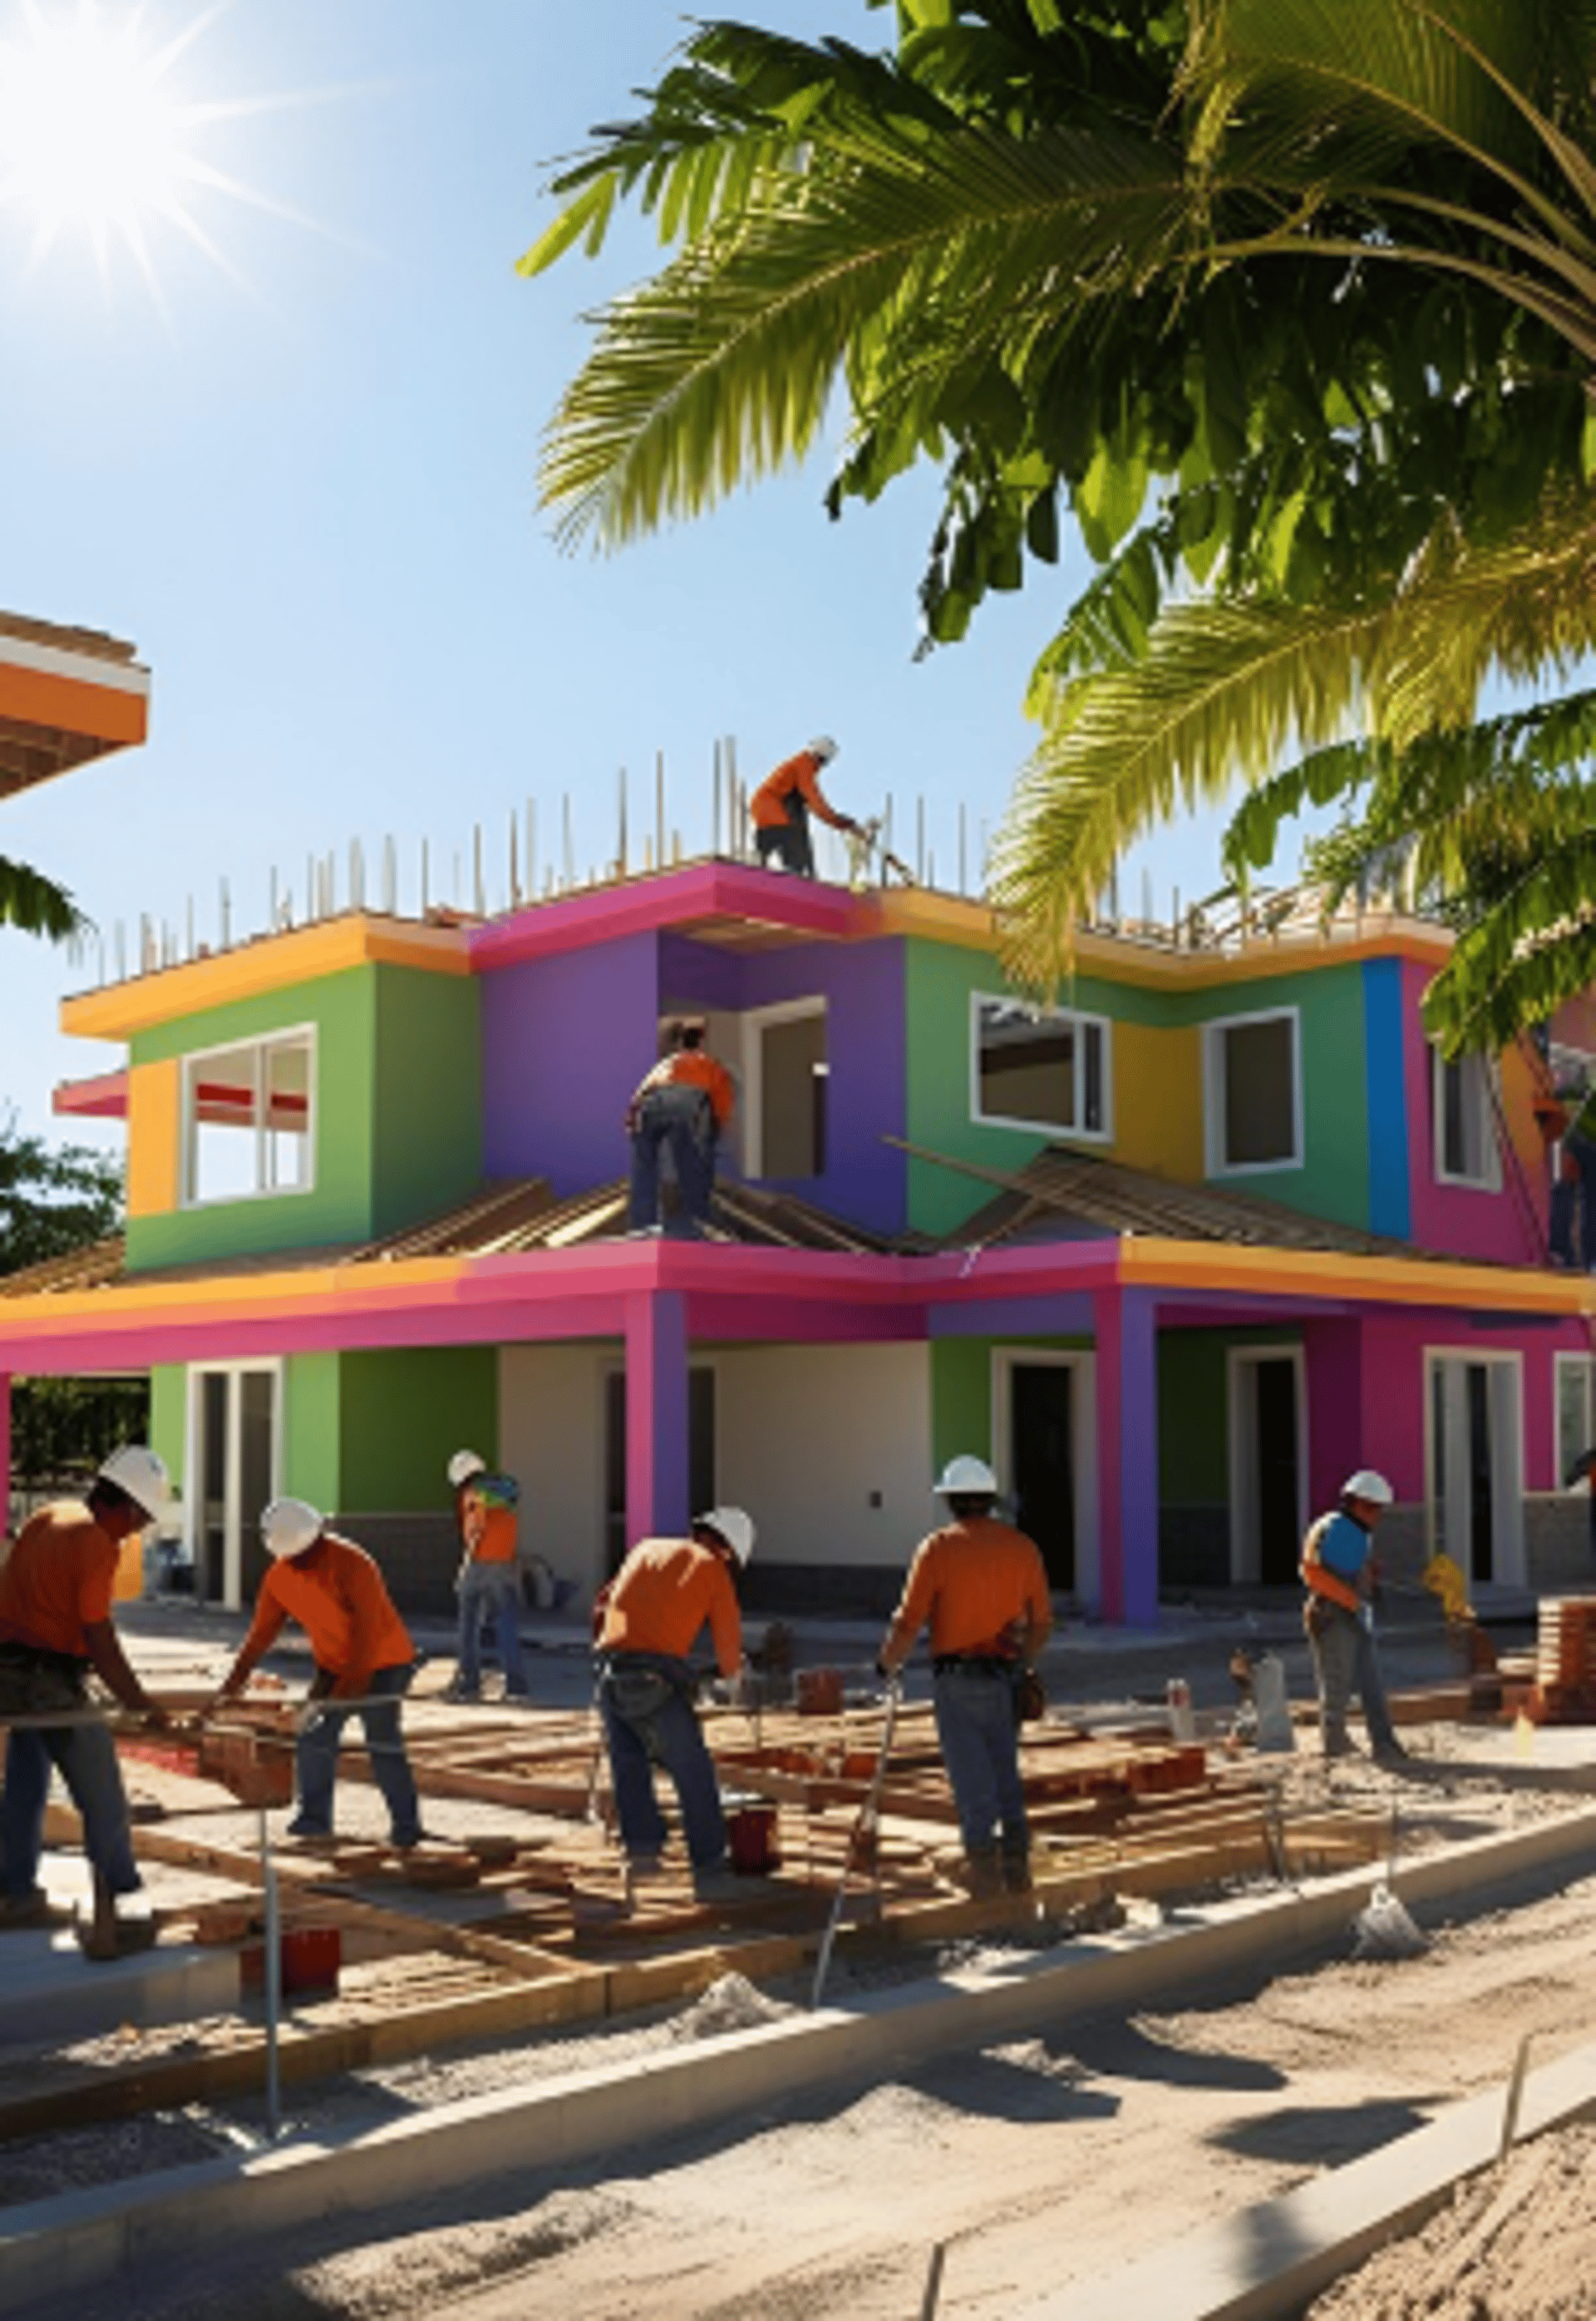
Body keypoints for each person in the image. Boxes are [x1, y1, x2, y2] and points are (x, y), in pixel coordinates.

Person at [0, 1446, 175, 1959]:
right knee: (102, 1791)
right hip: (46, 1682)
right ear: (128, 1506)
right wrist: (140, 1704)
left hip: (8, 1671)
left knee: (25, 1785)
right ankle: (125, 1904)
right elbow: (99, 1636)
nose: (138, 1531)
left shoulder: (50, 1516)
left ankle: (13, 1895)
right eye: (142, 1520)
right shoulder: (97, 1542)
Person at [876, 1456, 1052, 1897]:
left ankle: (983, 1869)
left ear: (952, 1501)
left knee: (970, 1774)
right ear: (990, 1499)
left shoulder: (938, 1549)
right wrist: (1024, 1662)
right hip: (1005, 1676)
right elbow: (1042, 1622)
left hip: (957, 1679)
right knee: (1004, 1767)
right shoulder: (1022, 1548)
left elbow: (909, 1620)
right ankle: (1017, 1865)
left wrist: (888, 1662)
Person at [207, 1498, 425, 1848]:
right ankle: (314, 1820)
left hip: (384, 1662)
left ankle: (407, 1825)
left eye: (306, 1555)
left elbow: (367, 1631)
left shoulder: (353, 1564)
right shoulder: (280, 1575)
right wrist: (233, 1684)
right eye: (292, 1558)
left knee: (382, 1740)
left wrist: (346, 1690)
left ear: (318, 1538)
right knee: (312, 1736)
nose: (299, 1563)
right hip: (333, 1665)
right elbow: (261, 1634)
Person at [593, 1507, 753, 1895]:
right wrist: (734, 1680)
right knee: (692, 1767)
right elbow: (727, 1634)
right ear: (728, 1549)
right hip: (657, 1679)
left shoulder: (646, 1548)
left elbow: (603, 1605)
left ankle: (642, 1848)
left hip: (612, 1670)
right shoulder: (711, 1567)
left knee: (629, 1764)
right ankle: (709, 1858)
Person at [1301, 1468, 1408, 1765]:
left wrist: (1367, 1577)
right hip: (1332, 1615)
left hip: (1354, 1613)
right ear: (1357, 1504)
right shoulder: (1334, 1529)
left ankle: (1384, 1742)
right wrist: (1350, 1599)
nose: (1378, 1516)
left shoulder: (1354, 1532)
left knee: (1371, 1681)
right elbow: (1311, 1572)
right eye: (1374, 1509)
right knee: (1337, 1682)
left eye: (1380, 1510)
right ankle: (1334, 1743)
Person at [626, 1018, 736, 1236]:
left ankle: (643, 1223)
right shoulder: (712, 1067)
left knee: (645, 1164)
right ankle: (697, 1218)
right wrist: (714, 1134)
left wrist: (632, 1122)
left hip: (653, 1107)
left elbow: (641, 1093)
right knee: (693, 1164)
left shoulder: (668, 1063)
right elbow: (721, 1107)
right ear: (700, 1044)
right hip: (687, 1106)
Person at [443, 1450, 529, 1703]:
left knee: (468, 1625)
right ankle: (516, 1687)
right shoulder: (504, 1491)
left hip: (480, 1562)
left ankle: (469, 1685)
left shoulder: (473, 1493)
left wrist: (465, 1565)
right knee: (507, 1625)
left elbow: (476, 1529)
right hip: (505, 1563)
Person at [750, 737, 857, 877]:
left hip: (770, 806)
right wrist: (838, 821)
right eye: (823, 762)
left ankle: (795, 869)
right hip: (769, 806)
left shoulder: (802, 764)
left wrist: (839, 821)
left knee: (795, 835)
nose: (821, 767)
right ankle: (770, 862)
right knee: (789, 836)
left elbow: (809, 807)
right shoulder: (804, 766)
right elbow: (816, 802)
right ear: (819, 757)